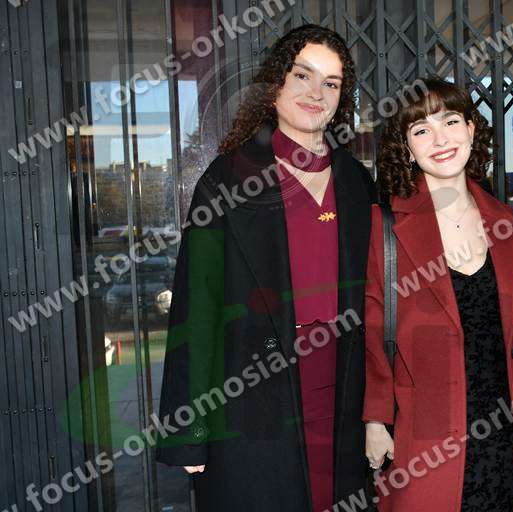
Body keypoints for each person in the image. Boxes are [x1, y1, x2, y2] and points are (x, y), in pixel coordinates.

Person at [156, 24, 376, 511]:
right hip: (249, 393)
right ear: (275, 84)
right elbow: (197, 307)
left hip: (344, 392)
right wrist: (189, 430)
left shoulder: (358, 182)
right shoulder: (225, 180)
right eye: (302, 75)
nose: (316, 93)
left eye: (331, 83)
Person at [363, 78, 513, 512]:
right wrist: (375, 419)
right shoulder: (383, 226)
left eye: (450, 121)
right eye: (421, 129)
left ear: (470, 129)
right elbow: (371, 331)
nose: (440, 139)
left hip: (511, 440)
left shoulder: (512, 226)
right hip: (426, 439)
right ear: (407, 148)